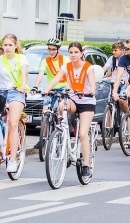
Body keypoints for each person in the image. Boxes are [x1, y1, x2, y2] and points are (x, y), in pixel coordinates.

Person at [42, 42, 97, 177]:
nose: (73, 55)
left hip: (87, 102)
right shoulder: (66, 66)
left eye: (76, 52)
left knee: (83, 134)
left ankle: (86, 164)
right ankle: (65, 131)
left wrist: (91, 90)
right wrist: (47, 89)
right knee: (61, 105)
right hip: (73, 99)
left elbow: (93, 84)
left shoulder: (88, 67)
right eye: (71, 52)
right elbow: (56, 79)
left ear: (81, 53)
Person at [0, 34, 28, 171]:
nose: (7, 48)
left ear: (15, 46)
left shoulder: (21, 58)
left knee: (13, 123)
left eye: (10, 45)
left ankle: (13, 159)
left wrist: (22, 85)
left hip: (16, 92)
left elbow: (24, 74)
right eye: (5, 45)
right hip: (1, 92)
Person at [33, 38, 66, 150]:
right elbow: (41, 74)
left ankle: (61, 134)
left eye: (53, 49)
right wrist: (36, 86)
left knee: (59, 110)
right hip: (50, 89)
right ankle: (43, 138)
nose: (51, 51)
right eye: (49, 49)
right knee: (45, 112)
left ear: (58, 50)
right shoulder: (45, 61)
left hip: (63, 88)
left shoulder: (64, 59)